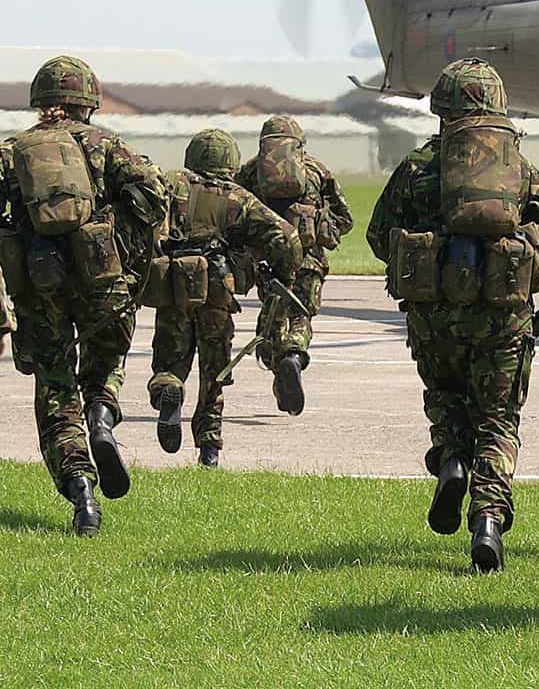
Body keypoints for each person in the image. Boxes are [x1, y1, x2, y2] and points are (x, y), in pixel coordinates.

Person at [366, 58, 539, 573]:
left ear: (443, 109)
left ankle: (452, 460)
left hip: (435, 319)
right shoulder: (519, 168)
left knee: (447, 399)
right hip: (503, 320)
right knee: (498, 419)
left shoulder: (418, 167)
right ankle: (489, 522)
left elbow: (376, 234)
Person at [0, 56, 168, 535]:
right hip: (103, 285)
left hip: (39, 289)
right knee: (103, 365)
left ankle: (82, 494)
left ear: (41, 102)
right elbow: (154, 197)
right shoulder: (106, 145)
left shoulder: (12, 151)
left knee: (54, 388)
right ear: (87, 103)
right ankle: (101, 415)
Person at [147, 129, 302, 467]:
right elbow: (286, 237)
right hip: (217, 291)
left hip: (172, 287)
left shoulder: (172, 183)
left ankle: (167, 391)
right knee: (214, 372)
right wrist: (282, 273)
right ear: (230, 161)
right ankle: (208, 446)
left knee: (169, 360)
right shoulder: (238, 198)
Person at [235, 116, 355, 416]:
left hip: (267, 260)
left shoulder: (251, 172)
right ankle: (295, 355)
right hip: (309, 258)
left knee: (274, 315)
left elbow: (234, 211)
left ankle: (280, 365)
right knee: (301, 315)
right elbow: (346, 218)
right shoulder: (316, 170)